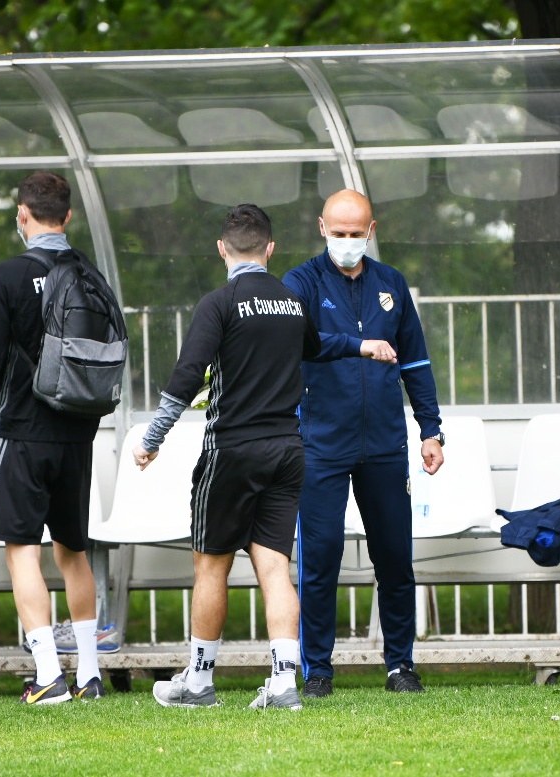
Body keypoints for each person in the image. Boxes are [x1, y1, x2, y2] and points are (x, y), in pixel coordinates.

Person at [131, 204, 325, 710]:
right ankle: (284, 684)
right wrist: (362, 345)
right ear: (270, 249)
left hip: (232, 451)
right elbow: (317, 348)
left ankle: (198, 682)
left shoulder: (219, 303)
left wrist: (152, 439)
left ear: (222, 248)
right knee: (275, 567)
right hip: (287, 450)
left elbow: (186, 376)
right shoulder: (292, 301)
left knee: (211, 566)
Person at [282, 189, 444, 696]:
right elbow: (302, 341)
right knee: (321, 557)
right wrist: (359, 346)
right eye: (339, 232)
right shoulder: (300, 282)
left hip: (385, 444)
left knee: (394, 557)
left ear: (371, 231)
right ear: (322, 228)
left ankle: (400, 665)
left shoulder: (391, 283)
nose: (348, 241)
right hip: (321, 444)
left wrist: (431, 429)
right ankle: (317, 670)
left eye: (356, 233)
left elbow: (416, 361)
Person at [0, 171, 105, 705]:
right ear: (68, 216)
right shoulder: (88, 273)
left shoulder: (10, 276)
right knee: (73, 551)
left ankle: (48, 675)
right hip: (77, 432)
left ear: (22, 214)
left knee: (22, 551)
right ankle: (89, 675)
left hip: (22, 430)